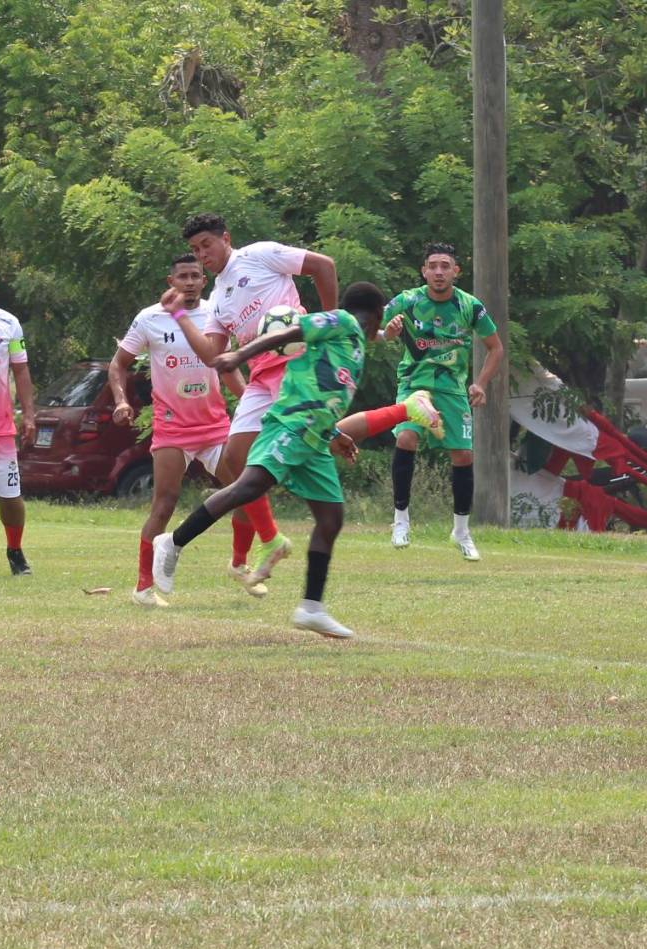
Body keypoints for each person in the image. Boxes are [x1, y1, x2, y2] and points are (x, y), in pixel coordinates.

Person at [151, 283, 442, 639]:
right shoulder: (343, 321)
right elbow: (292, 331)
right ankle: (173, 542)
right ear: (377, 311)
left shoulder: (355, 341)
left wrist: (336, 435)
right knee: (249, 486)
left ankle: (311, 607)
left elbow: (325, 389)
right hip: (289, 424)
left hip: (315, 439)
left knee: (331, 518)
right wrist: (237, 357)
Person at [172, 212, 340, 587]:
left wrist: (330, 322)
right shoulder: (217, 298)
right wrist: (181, 316)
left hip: (293, 362)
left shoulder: (260, 255)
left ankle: (394, 414)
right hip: (260, 376)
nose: (202, 254)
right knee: (233, 461)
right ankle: (271, 539)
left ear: (225, 238)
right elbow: (215, 357)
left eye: (206, 245)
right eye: (195, 250)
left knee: (316, 442)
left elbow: (323, 266)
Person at [109, 254, 266, 607]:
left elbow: (226, 366)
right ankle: (143, 588)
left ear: (204, 281)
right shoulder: (149, 319)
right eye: (183, 276)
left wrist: (251, 400)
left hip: (215, 427)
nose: (191, 281)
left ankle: (239, 563)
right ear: (171, 281)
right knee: (163, 505)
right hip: (172, 429)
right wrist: (121, 400)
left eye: (196, 275)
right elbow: (118, 365)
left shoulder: (216, 314)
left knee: (247, 491)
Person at [383, 243, 503, 561]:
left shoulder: (469, 306)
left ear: (455, 271)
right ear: (423, 271)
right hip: (414, 385)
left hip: (452, 389)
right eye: (432, 265)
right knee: (407, 437)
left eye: (445, 265)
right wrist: (389, 333)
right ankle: (400, 521)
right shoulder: (407, 301)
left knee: (463, 455)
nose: (438, 271)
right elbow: (374, 331)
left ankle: (461, 531)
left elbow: (496, 348)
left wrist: (480, 383)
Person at [0, 276, 36, 575]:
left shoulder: (8, 323)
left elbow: (20, 371)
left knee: (10, 497)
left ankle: (15, 551)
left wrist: (29, 415)